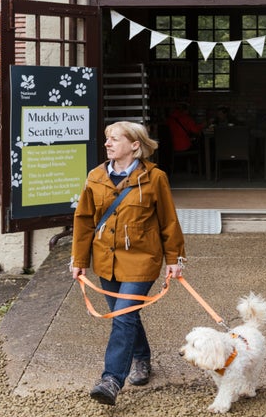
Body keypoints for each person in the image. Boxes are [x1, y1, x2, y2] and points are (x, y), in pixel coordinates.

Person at [70, 121, 186, 406]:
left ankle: (110, 380)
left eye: (114, 139)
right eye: (107, 139)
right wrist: (80, 259)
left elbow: (168, 221)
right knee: (126, 316)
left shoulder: (155, 177)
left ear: (135, 145)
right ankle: (142, 359)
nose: (107, 144)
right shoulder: (95, 176)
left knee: (122, 317)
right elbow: (84, 221)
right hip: (106, 261)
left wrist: (174, 258)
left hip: (142, 259)